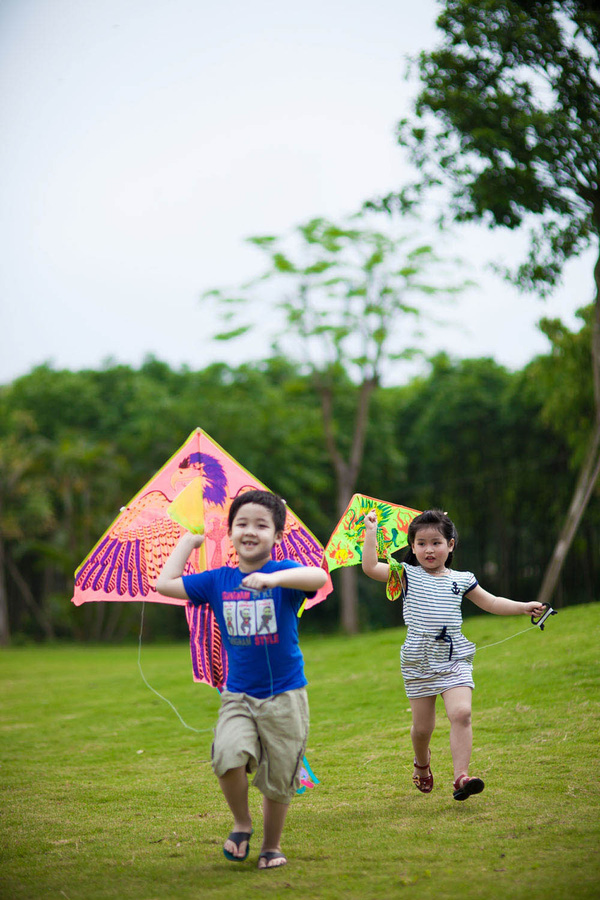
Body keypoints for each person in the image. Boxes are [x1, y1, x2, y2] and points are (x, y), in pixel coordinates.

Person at [156, 489, 327, 869]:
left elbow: (318, 575)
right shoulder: (218, 580)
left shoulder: (285, 573)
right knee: (226, 755)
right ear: (230, 531)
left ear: (277, 536)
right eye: (242, 524)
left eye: (261, 525)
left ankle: (271, 846)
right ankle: (241, 822)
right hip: (239, 695)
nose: (250, 531)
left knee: (278, 777)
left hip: (285, 696)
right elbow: (165, 585)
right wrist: (187, 541)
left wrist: (274, 581)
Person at [361, 507, 545, 801]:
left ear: (451, 544)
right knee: (423, 729)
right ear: (412, 547)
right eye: (421, 544)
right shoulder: (405, 574)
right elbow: (371, 568)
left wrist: (523, 607)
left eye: (436, 542)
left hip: (453, 656)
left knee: (462, 713)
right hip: (418, 661)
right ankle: (422, 764)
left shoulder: (462, 579)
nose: (428, 550)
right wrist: (371, 533)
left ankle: (461, 777)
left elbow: (492, 602)